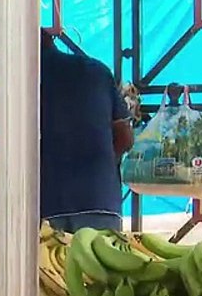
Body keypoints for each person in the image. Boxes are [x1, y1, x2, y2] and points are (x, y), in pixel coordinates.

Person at [39, 30, 134, 231]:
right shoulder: (97, 70)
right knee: (102, 252)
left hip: (45, 203)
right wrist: (102, 166)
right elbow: (125, 137)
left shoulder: (21, 80)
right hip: (100, 199)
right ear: (50, 40)